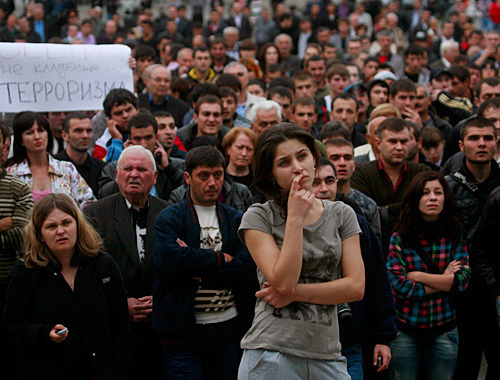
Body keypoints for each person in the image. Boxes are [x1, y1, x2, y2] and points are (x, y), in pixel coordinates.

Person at [237, 123, 365, 379]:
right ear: (271, 174)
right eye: (284, 162)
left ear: (314, 159)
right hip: (271, 350)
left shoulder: (342, 214)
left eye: (302, 156)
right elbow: (283, 281)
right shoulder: (259, 217)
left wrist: (294, 294)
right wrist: (294, 219)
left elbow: (355, 287)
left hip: (327, 351)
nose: (297, 167)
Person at [153, 146, 258, 379]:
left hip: (228, 328)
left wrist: (200, 271)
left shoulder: (235, 218)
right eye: (204, 176)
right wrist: (220, 258)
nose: (212, 183)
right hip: (181, 331)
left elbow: (247, 267)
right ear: (188, 178)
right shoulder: (170, 217)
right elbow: (170, 264)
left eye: (218, 175)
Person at [1, 193, 130, 379]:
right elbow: (11, 328)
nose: (60, 231)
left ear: (78, 225)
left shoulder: (103, 265)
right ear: (40, 235)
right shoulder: (26, 271)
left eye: (66, 223)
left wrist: (119, 368)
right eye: (51, 226)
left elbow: (121, 324)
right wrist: (44, 333)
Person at [85, 146, 168, 379]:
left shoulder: (169, 214)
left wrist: (159, 299)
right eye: (128, 169)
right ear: (116, 175)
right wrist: (123, 303)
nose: (134, 174)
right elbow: (87, 272)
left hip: (159, 330)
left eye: (142, 169)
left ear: (154, 177)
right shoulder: (95, 215)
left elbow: (178, 269)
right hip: (114, 330)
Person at [387, 171, 470, 380]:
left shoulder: (455, 234)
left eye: (438, 192)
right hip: (406, 329)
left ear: (445, 198)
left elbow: (462, 282)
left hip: (444, 329)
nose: (432, 197)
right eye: (425, 193)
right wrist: (444, 280)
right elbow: (399, 286)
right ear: (415, 199)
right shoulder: (400, 237)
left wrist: (418, 276)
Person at [6, 112, 96, 208]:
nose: (37, 137)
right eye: (30, 133)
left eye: (41, 131)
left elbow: (89, 204)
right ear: (21, 140)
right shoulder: (12, 174)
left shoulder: (66, 169)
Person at [54, 112, 106, 195]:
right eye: (78, 131)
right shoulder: (53, 165)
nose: (85, 135)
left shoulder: (102, 169)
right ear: (64, 135)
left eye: (88, 131)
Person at [222, 127, 265, 204]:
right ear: (228, 149)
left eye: (249, 149)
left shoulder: (260, 181)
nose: (244, 153)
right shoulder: (220, 179)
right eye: (240, 148)